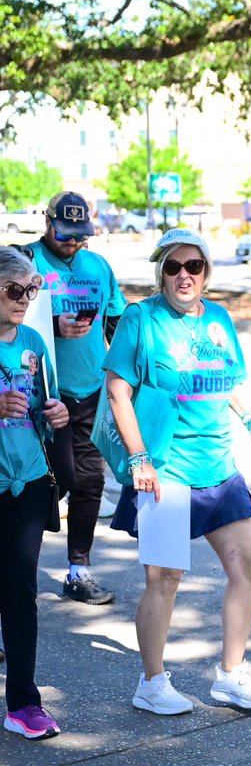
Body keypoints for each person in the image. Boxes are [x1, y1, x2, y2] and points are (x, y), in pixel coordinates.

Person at [103, 228, 251, 715]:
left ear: (205, 273)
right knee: (166, 575)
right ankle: (152, 682)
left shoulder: (218, 318)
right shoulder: (141, 318)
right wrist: (138, 458)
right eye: (173, 267)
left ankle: (231, 675)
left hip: (219, 465)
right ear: (161, 271)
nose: (183, 275)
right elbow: (118, 391)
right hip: (165, 467)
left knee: (248, 564)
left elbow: (228, 382)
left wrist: (249, 417)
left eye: (193, 266)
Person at [29, 192, 126, 605]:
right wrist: (53, 324)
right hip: (42, 393)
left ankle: (78, 571)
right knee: (54, 480)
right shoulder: (24, 260)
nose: (72, 244)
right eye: (65, 235)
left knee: (89, 481)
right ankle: (17, 573)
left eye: (79, 236)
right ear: (47, 222)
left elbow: (117, 322)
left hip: (92, 390)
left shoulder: (98, 267)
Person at [0, 246, 70, 738]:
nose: (25, 299)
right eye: (14, 290)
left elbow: (48, 406)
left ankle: (24, 703)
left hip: (25, 481)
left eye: (32, 290)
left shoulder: (33, 344)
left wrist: (57, 416)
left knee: (21, 588)